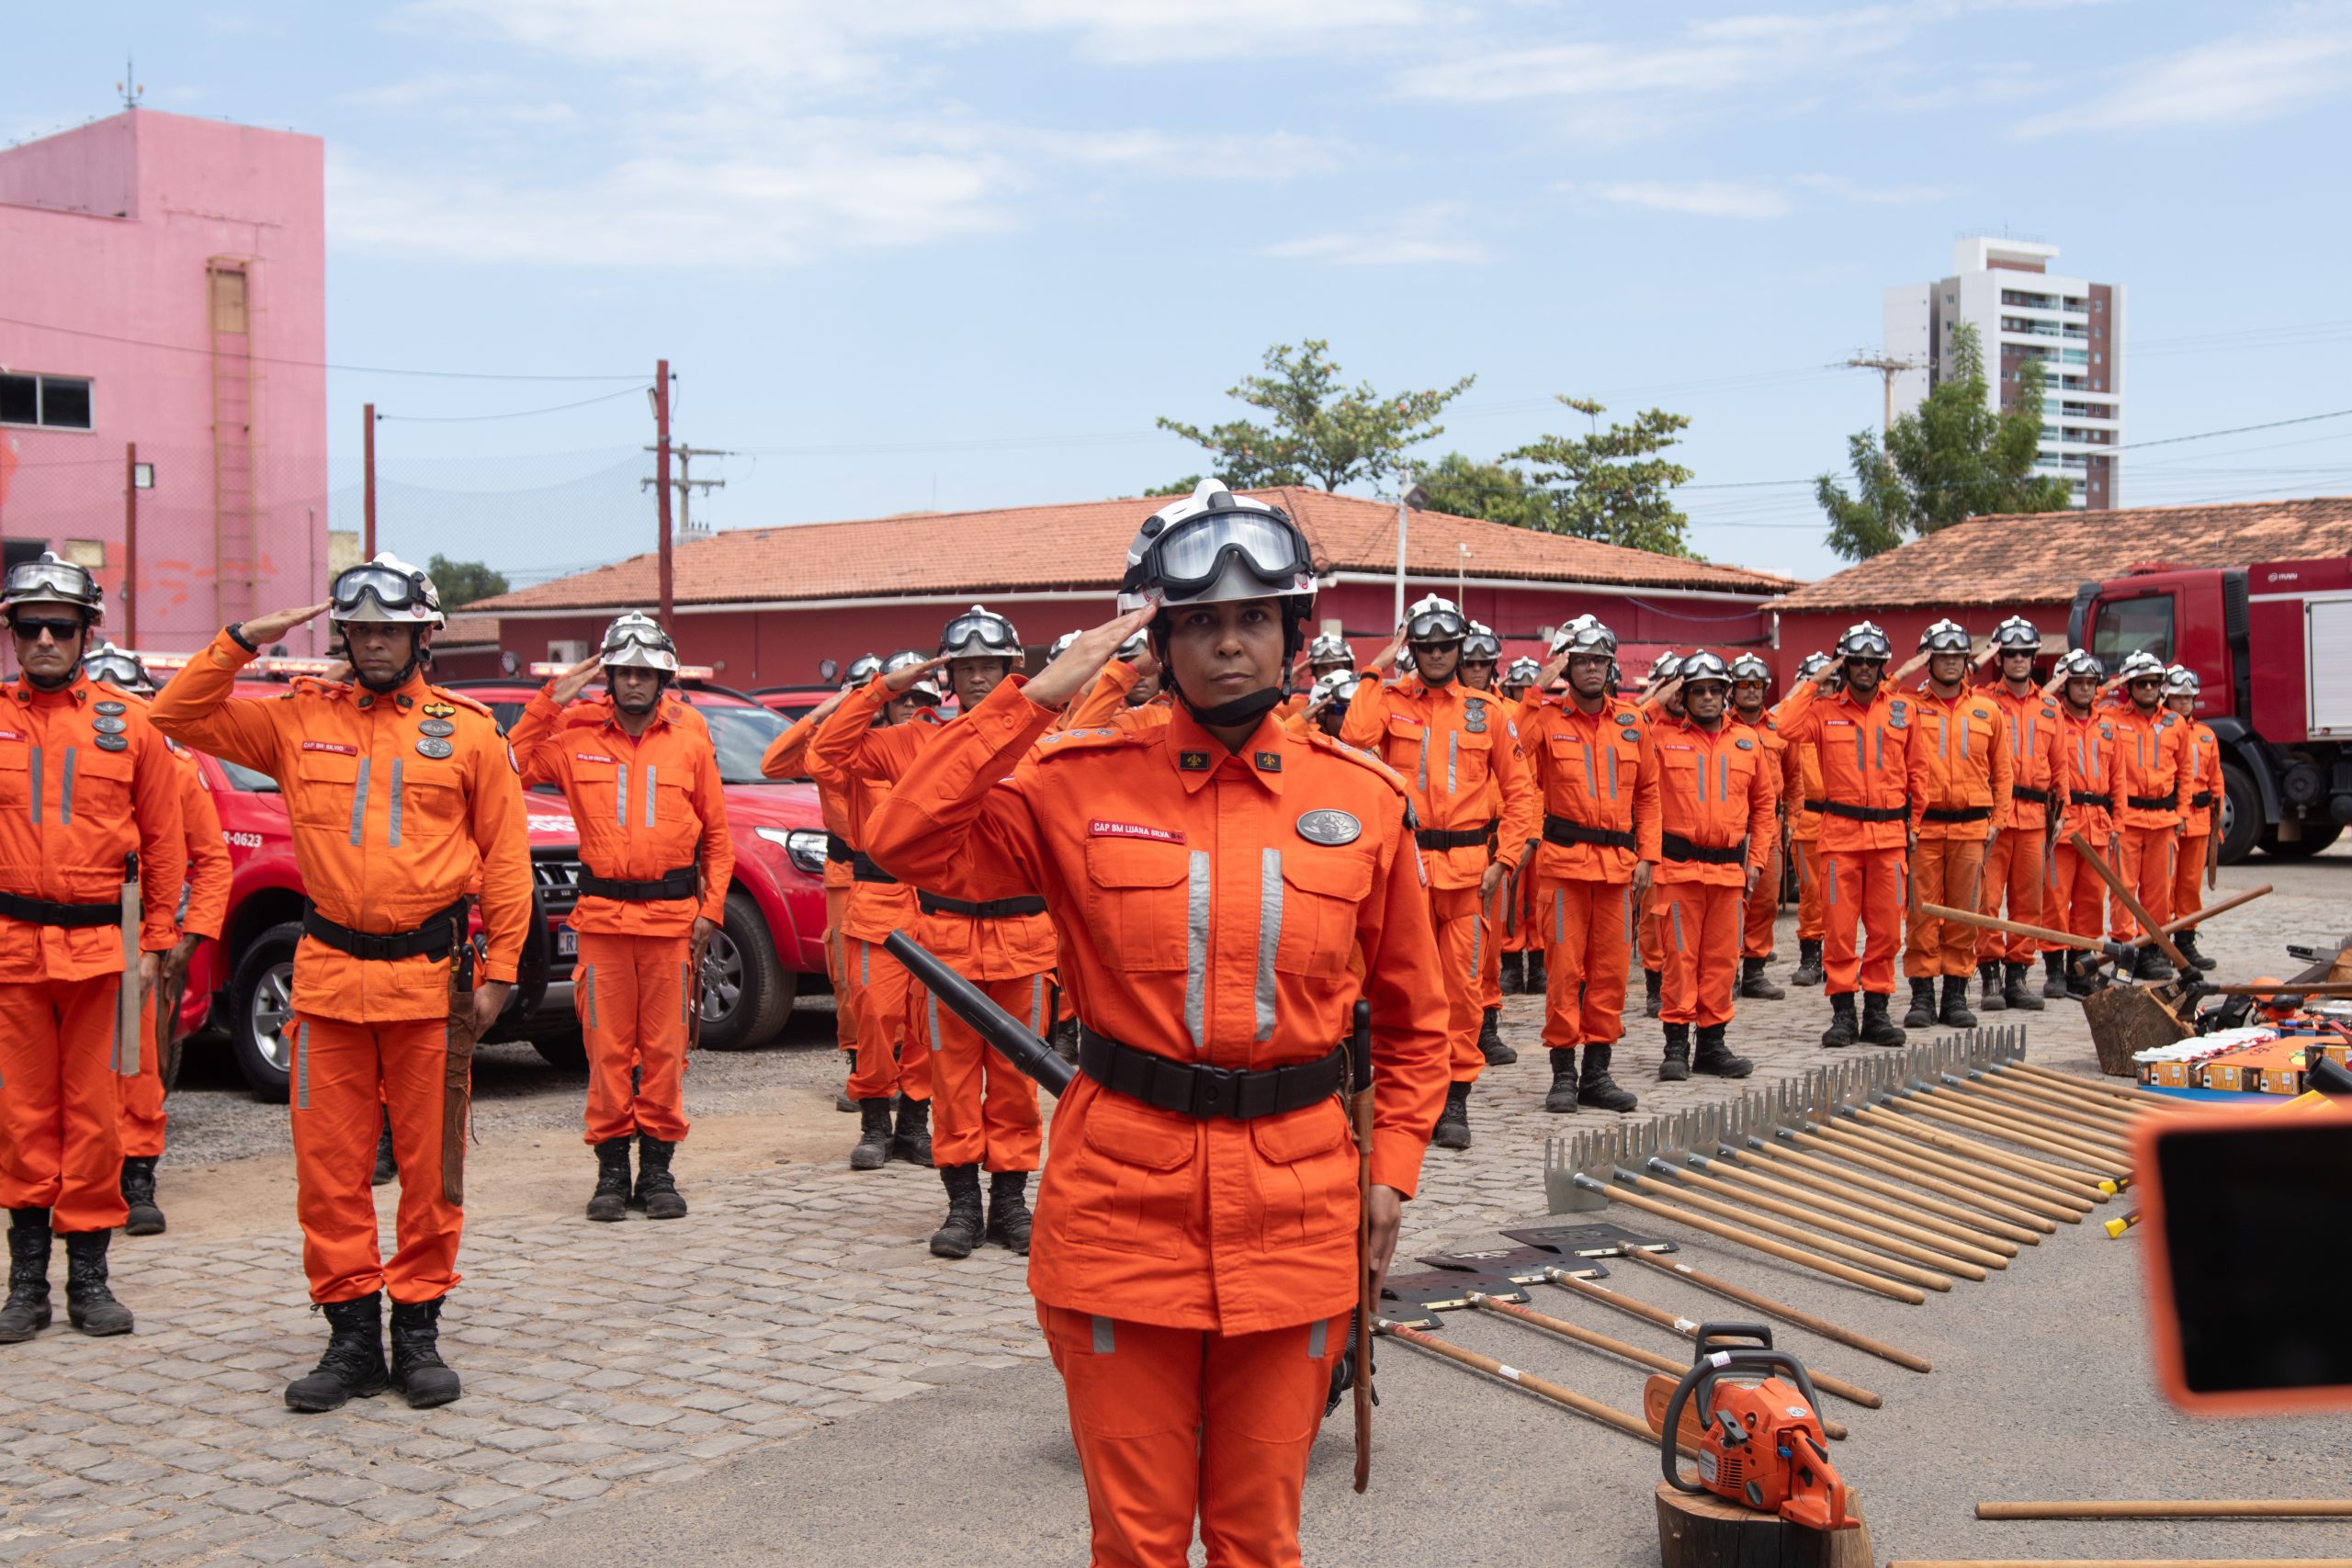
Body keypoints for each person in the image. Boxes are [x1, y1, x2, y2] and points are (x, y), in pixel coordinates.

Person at [860, 479, 1449, 1568]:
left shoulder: (1362, 799)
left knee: (1258, 1539)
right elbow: (901, 835)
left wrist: (1393, 1170)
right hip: (1122, 1208)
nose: (1230, 646)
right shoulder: (1074, 783)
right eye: (1201, 623)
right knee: (1134, 1541)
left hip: (1299, 1206)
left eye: (1254, 620)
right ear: (1159, 639)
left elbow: (1419, 1021)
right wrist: (1034, 698)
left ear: (1291, 634)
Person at [151, 554, 530, 1411]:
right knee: (329, 1173)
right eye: (360, 629)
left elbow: (506, 860)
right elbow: (172, 714)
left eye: (391, 629)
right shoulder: (295, 719)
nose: (376, 643)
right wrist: (244, 639)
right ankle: (352, 1335)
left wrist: (502, 971)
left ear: (422, 633)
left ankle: (419, 1330)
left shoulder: (468, 731)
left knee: (431, 1170)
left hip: (432, 986)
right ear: (344, 635)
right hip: (325, 986)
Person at [814, 606, 1054, 1258]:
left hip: (1023, 937)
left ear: (1011, 669)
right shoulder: (916, 739)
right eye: (966, 666)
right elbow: (826, 752)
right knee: (952, 1082)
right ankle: (962, 1208)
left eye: (989, 665)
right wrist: (884, 688)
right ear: (949, 673)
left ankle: (1010, 1203)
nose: (978, 677)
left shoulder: (1045, 738)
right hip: (944, 938)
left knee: (1015, 1082)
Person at [0, 559, 186, 1345]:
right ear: (11, 633)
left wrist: (158, 945)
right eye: (29, 625)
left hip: (102, 950)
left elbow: (167, 842)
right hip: (10, 949)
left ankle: (89, 1278)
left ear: (87, 631)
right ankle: (24, 1284)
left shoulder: (130, 725)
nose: (45, 638)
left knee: (97, 1118)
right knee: (19, 1118)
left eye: (61, 626)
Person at [507, 614, 733, 1223]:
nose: (634, 681)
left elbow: (718, 838)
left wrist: (710, 911)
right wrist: (547, 703)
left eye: (645, 671)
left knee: (663, 1052)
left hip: (671, 927)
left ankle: (658, 1172)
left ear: (662, 675)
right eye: (623, 670)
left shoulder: (690, 740)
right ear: (608, 674)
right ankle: (612, 1172)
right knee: (608, 1051)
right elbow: (510, 767)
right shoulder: (576, 736)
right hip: (603, 924)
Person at [1343, 595, 1539, 1151]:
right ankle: (1391, 1096)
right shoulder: (1385, 699)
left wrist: (1505, 860)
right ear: (1413, 648)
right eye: (1424, 646)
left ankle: (1454, 1102)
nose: (1435, 654)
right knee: (1393, 986)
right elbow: (1354, 741)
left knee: (1461, 991)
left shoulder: (1489, 711)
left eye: (1444, 646)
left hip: (1468, 875)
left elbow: (1521, 793)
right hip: (1403, 869)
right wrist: (1375, 667)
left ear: (1460, 647)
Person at [85, 642, 233, 1238]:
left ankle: (137, 1175)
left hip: (136, 932)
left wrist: (187, 938)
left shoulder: (173, 768)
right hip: (58, 928)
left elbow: (212, 859)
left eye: (135, 702)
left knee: (137, 1064)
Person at [807, 649, 941, 1169]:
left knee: (926, 1023)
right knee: (875, 1015)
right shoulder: (864, 754)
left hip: (931, 900)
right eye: (901, 700)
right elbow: (820, 754)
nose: (910, 708)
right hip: (876, 900)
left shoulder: (941, 746)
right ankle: (874, 1123)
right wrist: (878, 688)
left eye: (919, 700)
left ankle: (914, 1124)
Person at [1517, 620, 1657, 1112]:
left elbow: (1649, 794)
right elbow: (1515, 747)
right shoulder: (1548, 717)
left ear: (1611, 664)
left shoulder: (1633, 722)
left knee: (1611, 973)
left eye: (1599, 659)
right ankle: (1562, 1074)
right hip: (1563, 868)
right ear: (1567, 666)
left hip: (1618, 868)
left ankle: (1597, 1073)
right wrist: (1537, 687)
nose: (1592, 667)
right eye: (1581, 660)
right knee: (1562, 972)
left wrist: (1650, 856)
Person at [1772, 622, 1931, 1049]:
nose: (1863, 668)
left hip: (1888, 839)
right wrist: (1818, 678)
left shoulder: (1904, 710)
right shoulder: (1823, 711)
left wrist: (1913, 826)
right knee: (1839, 931)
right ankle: (1843, 1013)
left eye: (1871, 661)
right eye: (1855, 660)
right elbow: (1780, 727)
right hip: (1840, 838)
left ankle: (1877, 1012)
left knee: (1885, 932)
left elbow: (1920, 773)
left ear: (1882, 666)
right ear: (1845, 664)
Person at [1648, 652, 1770, 1079]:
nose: (1705, 698)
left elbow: (1765, 805)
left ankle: (1712, 1046)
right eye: (1696, 690)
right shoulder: (1659, 736)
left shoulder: (1748, 741)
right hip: (1677, 869)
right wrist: (1666, 691)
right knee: (1680, 959)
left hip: (1728, 872)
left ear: (1726, 695)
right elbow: (1631, 720)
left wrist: (1756, 861)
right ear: (1682, 695)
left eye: (1714, 690)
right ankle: (1676, 1047)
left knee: (1721, 961)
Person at [760, 671, 864, 1111]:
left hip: (903, 879)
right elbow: (773, 764)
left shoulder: (906, 741)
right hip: (846, 875)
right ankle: (862, 1070)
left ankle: (902, 1071)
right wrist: (821, 712)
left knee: (905, 982)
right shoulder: (829, 749)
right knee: (846, 977)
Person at [1900, 620, 2011, 1031]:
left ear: (1967, 661)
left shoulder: (1988, 710)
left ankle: (1956, 995)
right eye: (1940, 656)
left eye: (1956, 656)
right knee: (1921, 914)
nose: (1949, 663)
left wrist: (1998, 820)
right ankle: (1923, 996)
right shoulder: (1909, 708)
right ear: (1927, 660)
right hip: (1924, 831)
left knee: (1966, 914)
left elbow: (2003, 773)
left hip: (1971, 830)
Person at [1976, 617, 2059, 1014]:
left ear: (2034, 656)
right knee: (1988, 901)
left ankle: (2019, 975)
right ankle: (1990, 974)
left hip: (2035, 817)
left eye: (2026, 652)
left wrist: (2063, 812)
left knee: (2029, 903)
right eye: (2011, 653)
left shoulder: (2050, 707)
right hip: (1995, 815)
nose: (2019, 659)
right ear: (2000, 657)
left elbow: (2060, 768)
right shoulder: (1982, 702)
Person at [2107, 649, 2192, 980]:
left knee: (2158, 889)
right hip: (2127, 818)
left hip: (2163, 819)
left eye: (2154, 683)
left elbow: (2186, 772)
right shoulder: (2112, 719)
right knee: (2123, 889)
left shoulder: (2175, 723)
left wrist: (2183, 811)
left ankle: (2153, 948)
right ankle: (2125, 949)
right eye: (2140, 683)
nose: (2147, 689)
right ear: (2129, 686)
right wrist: (2113, 683)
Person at [1456, 622, 1515, 1067]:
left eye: (1483, 662)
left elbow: (1524, 785)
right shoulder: (1439, 709)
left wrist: (1518, 847)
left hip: (1493, 842)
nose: (1476, 669)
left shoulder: (1503, 712)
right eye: (1469, 661)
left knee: (1488, 946)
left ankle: (1486, 1027)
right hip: (1450, 844)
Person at [2046, 649, 2120, 998]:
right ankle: (2053, 969)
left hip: (2098, 823)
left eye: (2091, 683)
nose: (2086, 689)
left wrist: (2118, 820)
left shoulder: (2107, 726)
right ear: (2064, 684)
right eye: (2078, 682)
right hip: (2063, 822)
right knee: (2055, 899)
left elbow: (2118, 777)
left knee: (2091, 899)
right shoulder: (2051, 720)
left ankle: (2080, 966)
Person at [1725, 653, 1788, 1002]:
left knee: (1764, 900)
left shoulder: (1779, 727)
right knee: (1731, 901)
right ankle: (1728, 969)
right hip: (1734, 823)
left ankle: (1755, 971)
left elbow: (1792, 778)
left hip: (1771, 825)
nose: (1751, 691)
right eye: (1744, 684)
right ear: (1732, 689)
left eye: (1757, 685)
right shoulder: (1721, 724)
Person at [2164, 665, 2223, 973]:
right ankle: (2160, 943)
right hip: (2170, 817)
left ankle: (2186, 942)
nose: (2184, 702)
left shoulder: (2205, 735)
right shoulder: (2161, 730)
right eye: (2178, 697)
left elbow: (2216, 779)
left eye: (2189, 697)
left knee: (2189, 886)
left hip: (2200, 820)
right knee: (2163, 885)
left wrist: (2217, 824)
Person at [1782, 653, 1830, 987]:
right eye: (1817, 682)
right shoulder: (1797, 722)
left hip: (1845, 820)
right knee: (1812, 893)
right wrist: (1805, 690)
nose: (1823, 689)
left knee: (1843, 896)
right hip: (1808, 821)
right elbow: (1781, 721)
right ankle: (1811, 956)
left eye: (1828, 682)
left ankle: (1838, 957)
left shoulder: (1839, 717)